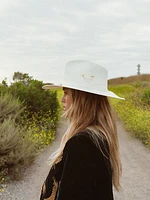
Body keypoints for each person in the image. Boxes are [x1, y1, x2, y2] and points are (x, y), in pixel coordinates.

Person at [40, 60, 124, 200]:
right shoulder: (95, 137)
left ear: (81, 99)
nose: (62, 99)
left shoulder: (82, 143)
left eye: (66, 93)